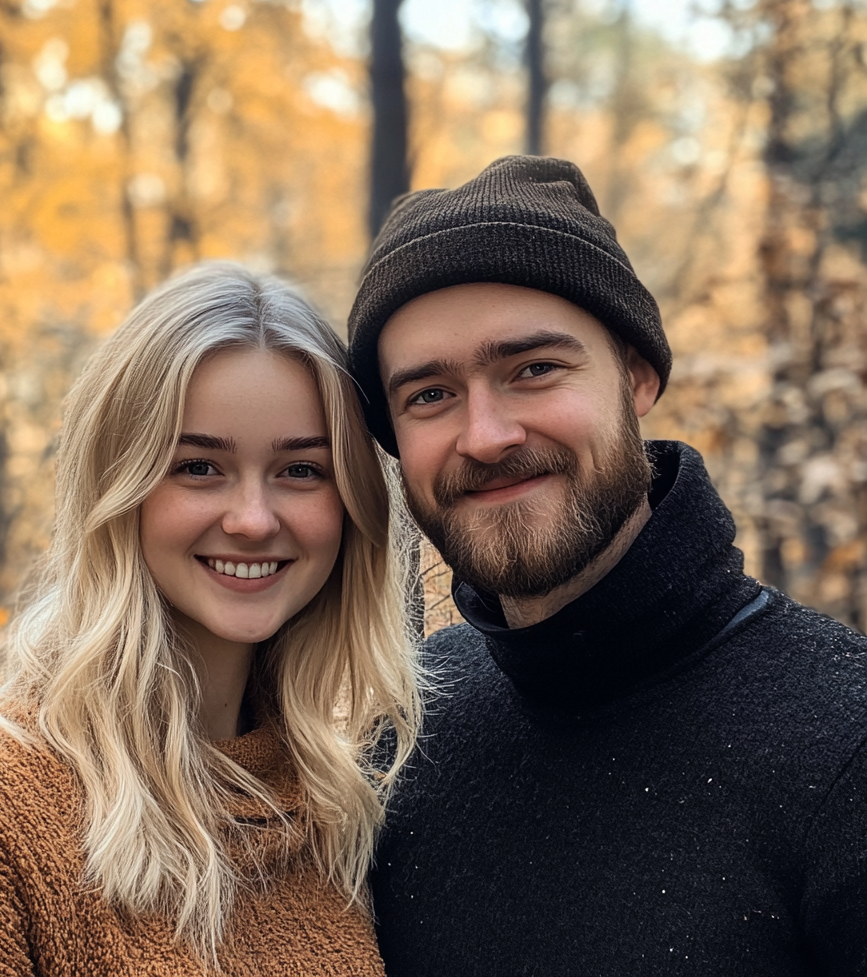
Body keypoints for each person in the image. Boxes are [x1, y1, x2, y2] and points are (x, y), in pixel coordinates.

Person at [348, 156, 867, 976]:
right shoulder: (404, 736)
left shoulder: (843, 741)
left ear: (636, 375)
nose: (486, 435)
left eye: (534, 369)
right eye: (430, 395)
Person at [0, 263, 422, 976]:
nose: (251, 518)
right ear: (116, 487)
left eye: (301, 470)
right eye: (198, 468)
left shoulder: (343, 816)